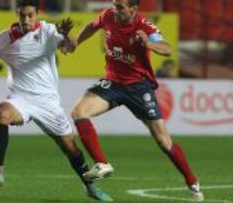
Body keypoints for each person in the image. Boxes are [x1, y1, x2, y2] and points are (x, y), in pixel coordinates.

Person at [69, 0, 204, 201]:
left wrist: (149, 43)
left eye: (120, 7)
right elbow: (91, 27)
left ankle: (192, 182)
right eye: (114, 5)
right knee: (78, 112)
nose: (115, 10)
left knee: (163, 141)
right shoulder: (107, 16)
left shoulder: (144, 25)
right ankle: (102, 163)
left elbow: (166, 48)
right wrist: (76, 43)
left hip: (139, 88)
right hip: (112, 83)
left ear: (133, 9)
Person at [0, 0, 113, 202]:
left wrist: (66, 33)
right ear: (17, 14)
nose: (26, 19)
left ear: (38, 13)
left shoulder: (48, 31)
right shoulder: (5, 38)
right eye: (23, 15)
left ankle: (91, 187)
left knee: (70, 148)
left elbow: (72, 46)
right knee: (3, 112)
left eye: (30, 15)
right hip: (20, 97)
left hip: (48, 101)